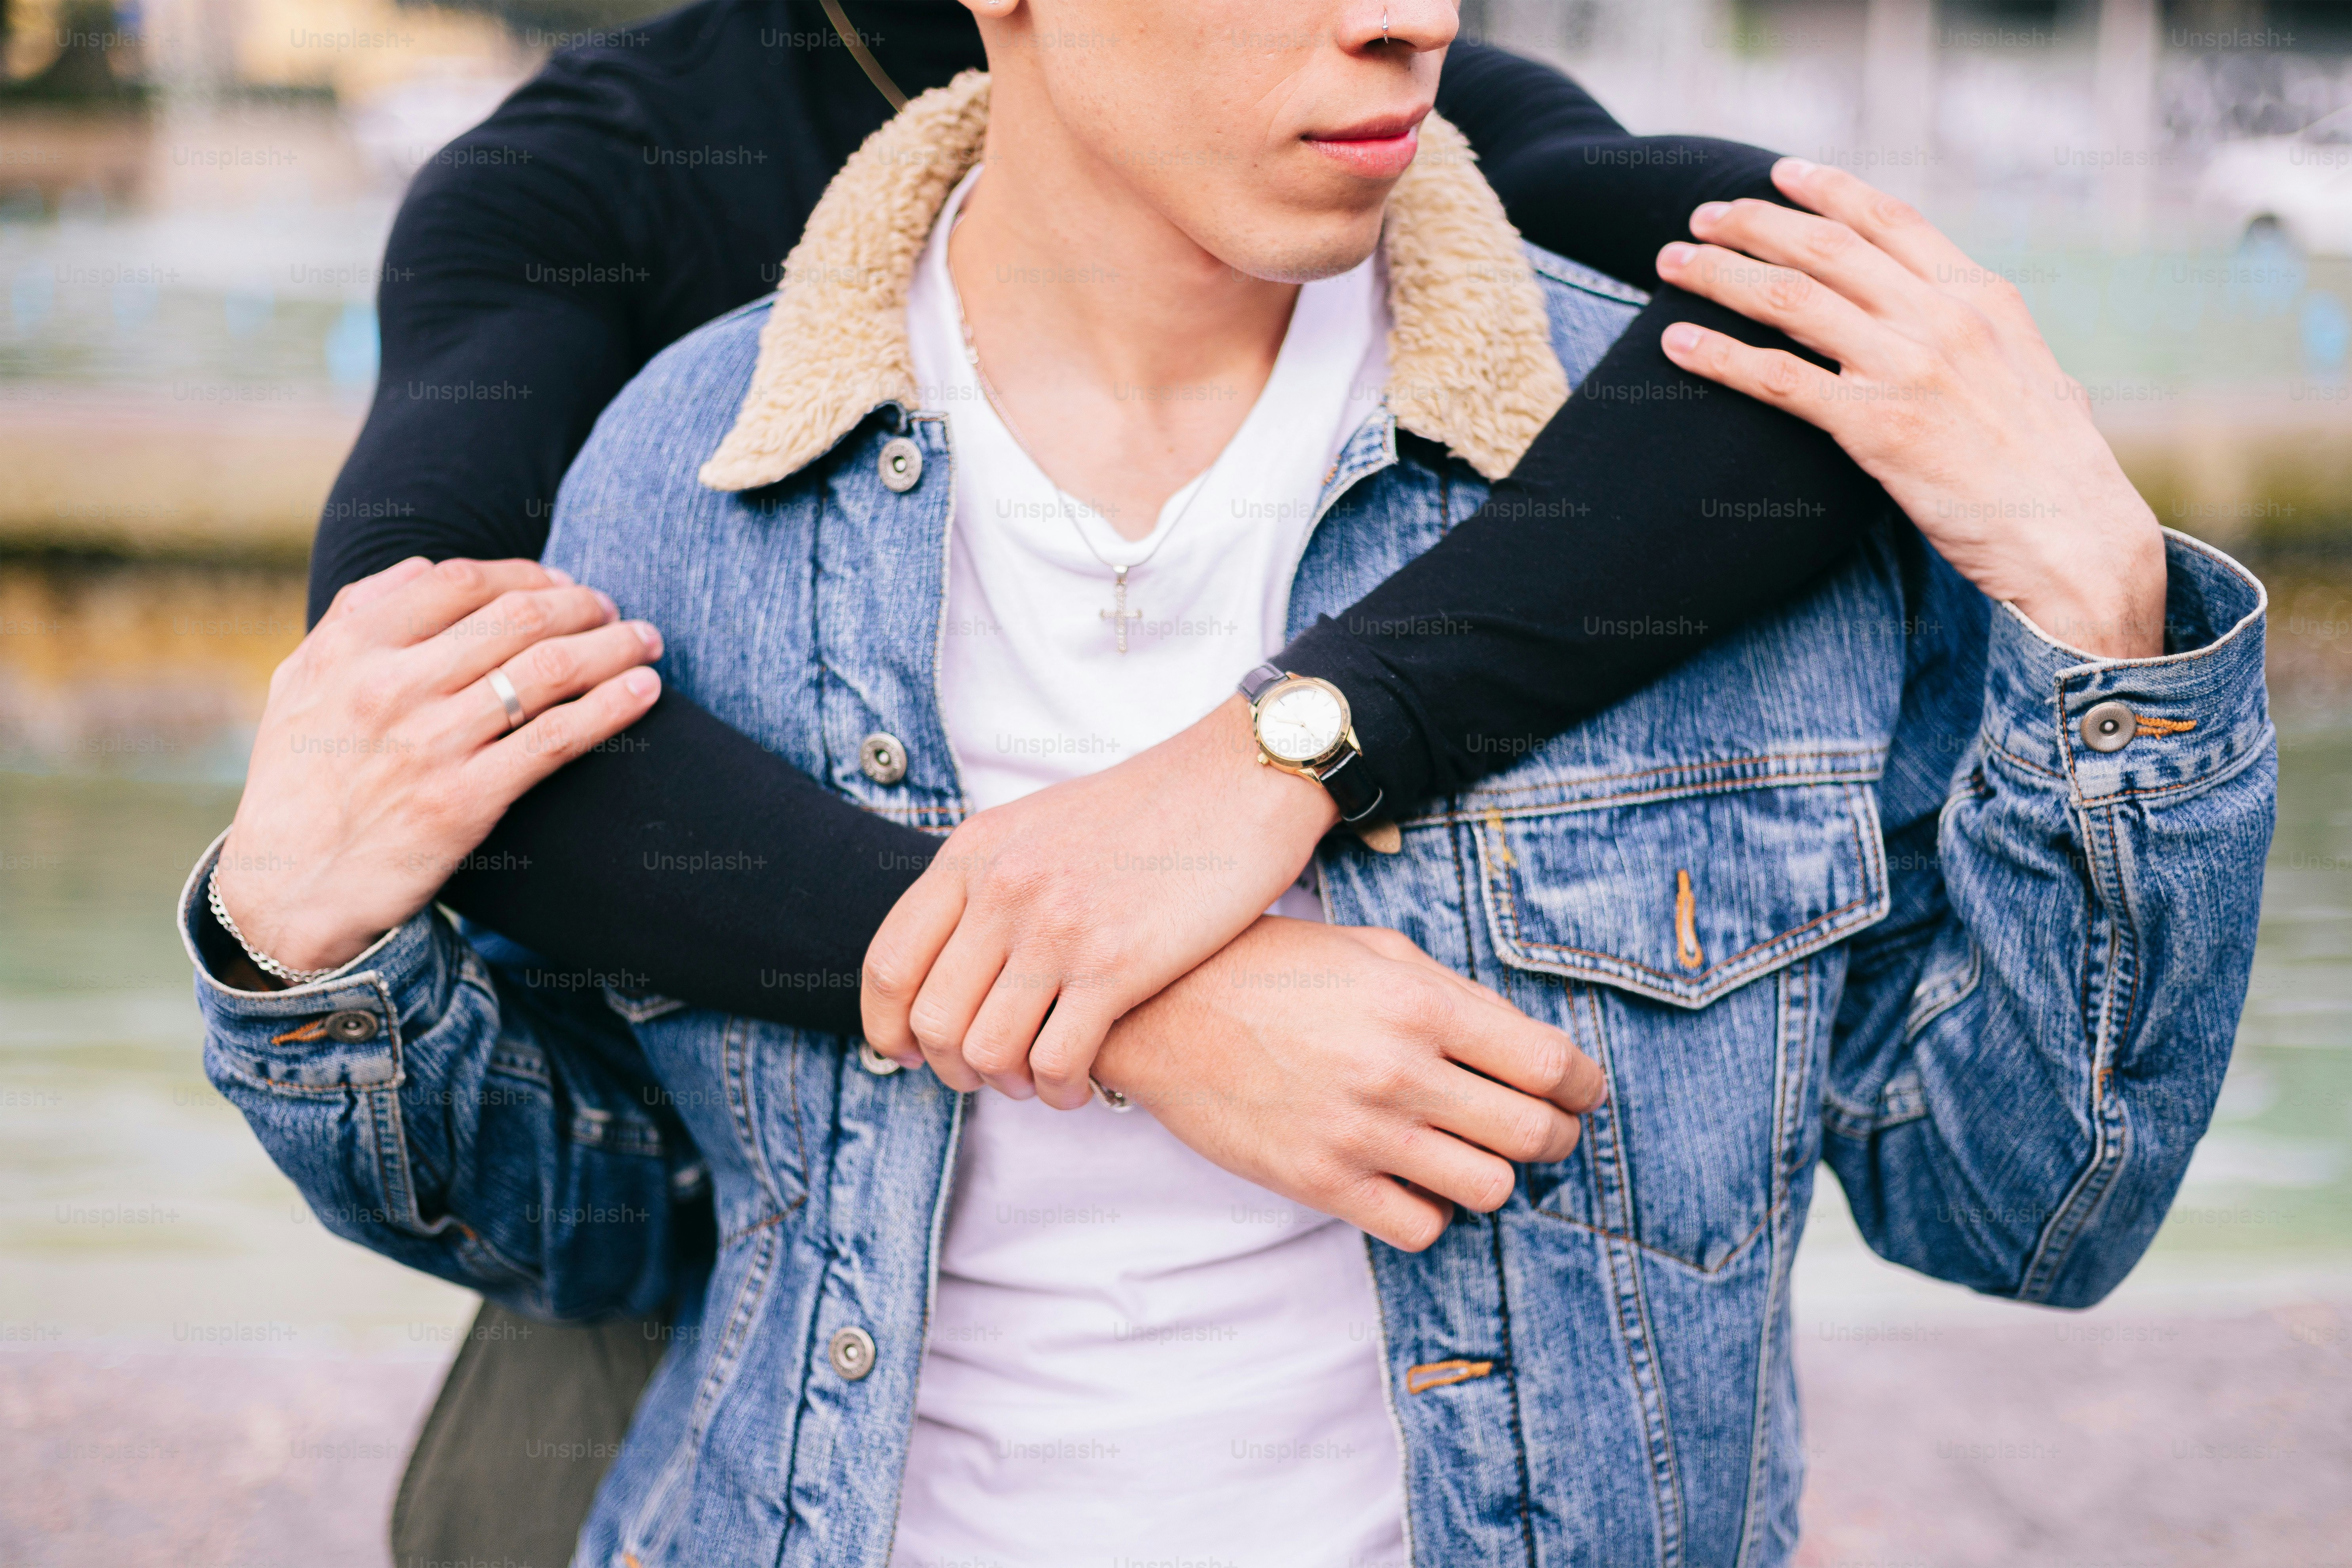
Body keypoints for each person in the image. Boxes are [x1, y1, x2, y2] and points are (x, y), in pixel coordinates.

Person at [184, 1, 2273, 1564]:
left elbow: (2029, 1204)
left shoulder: (1513, 229)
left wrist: (2098, 607)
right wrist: (1141, 996)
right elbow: (454, 789)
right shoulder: (647, 351)